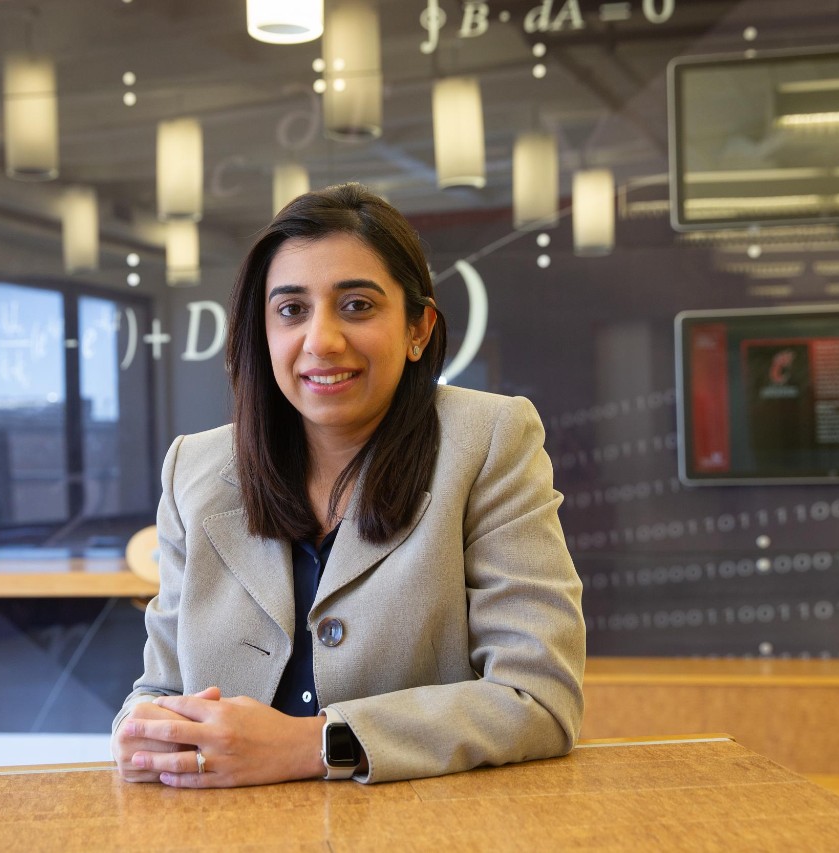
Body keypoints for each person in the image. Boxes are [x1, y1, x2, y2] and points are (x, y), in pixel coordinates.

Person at [111, 183, 584, 787]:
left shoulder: (490, 440)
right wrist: (143, 734)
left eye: (357, 305)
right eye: (291, 310)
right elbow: (158, 688)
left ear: (419, 329)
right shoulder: (195, 468)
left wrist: (315, 743)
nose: (321, 340)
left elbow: (538, 699)